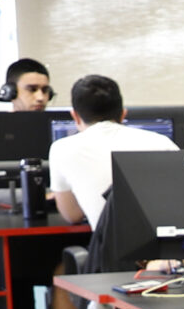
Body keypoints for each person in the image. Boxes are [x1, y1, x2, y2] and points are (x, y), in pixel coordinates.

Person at [47, 74, 173, 228]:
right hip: (173, 241)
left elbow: (72, 215)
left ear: (75, 117)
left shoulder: (61, 149)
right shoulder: (162, 142)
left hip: (111, 243)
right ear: (123, 114)